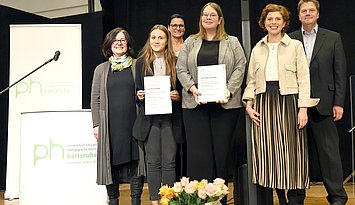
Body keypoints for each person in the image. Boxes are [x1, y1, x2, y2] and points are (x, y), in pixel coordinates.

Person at [242, 4, 319, 205]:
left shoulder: (295, 46)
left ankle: (295, 200)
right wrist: (249, 105)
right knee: (269, 153)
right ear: (264, 23)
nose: (273, 23)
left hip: (290, 102)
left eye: (277, 19)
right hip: (264, 103)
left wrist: (303, 108)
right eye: (270, 19)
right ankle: (280, 199)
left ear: (284, 23)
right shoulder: (257, 49)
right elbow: (251, 80)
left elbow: (304, 78)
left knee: (293, 152)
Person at [176, 3, 246, 204]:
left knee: (221, 155)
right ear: (201, 18)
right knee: (199, 155)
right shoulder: (190, 41)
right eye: (205, 14)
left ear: (220, 19)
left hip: (225, 106)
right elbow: (181, 69)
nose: (208, 17)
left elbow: (240, 67)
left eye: (212, 14)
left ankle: (219, 199)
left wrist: (229, 90)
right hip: (195, 106)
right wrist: (192, 87)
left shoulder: (231, 42)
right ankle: (201, 200)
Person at [289, 0, 348, 204]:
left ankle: (338, 197)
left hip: (325, 104)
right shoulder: (290, 39)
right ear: (298, 15)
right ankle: (295, 198)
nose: (307, 13)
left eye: (311, 10)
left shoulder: (332, 38)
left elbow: (340, 72)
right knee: (297, 156)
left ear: (318, 14)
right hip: (297, 106)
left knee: (330, 156)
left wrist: (338, 102)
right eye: (303, 11)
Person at [90, 27, 144, 205]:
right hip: (110, 125)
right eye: (115, 40)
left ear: (128, 44)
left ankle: (135, 200)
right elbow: (95, 99)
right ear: (109, 45)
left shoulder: (138, 65)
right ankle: (113, 201)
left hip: (134, 122)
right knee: (109, 162)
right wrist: (96, 124)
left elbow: (144, 90)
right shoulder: (101, 69)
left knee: (136, 161)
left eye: (122, 40)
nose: (119, 43)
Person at [134, 24, 183, 205]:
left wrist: (177, 95)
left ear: (167, 40)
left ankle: (168, 200)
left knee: (169, 160)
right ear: (149, 40)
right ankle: (155, 200)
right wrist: (140, 95)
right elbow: (138, 90)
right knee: (153, 161)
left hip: (170, 118)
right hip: (150, 118)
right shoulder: (140, 63)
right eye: (153, 37)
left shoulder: (176, 61)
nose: (157, 41)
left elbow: (180, 90)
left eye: (161, 38)